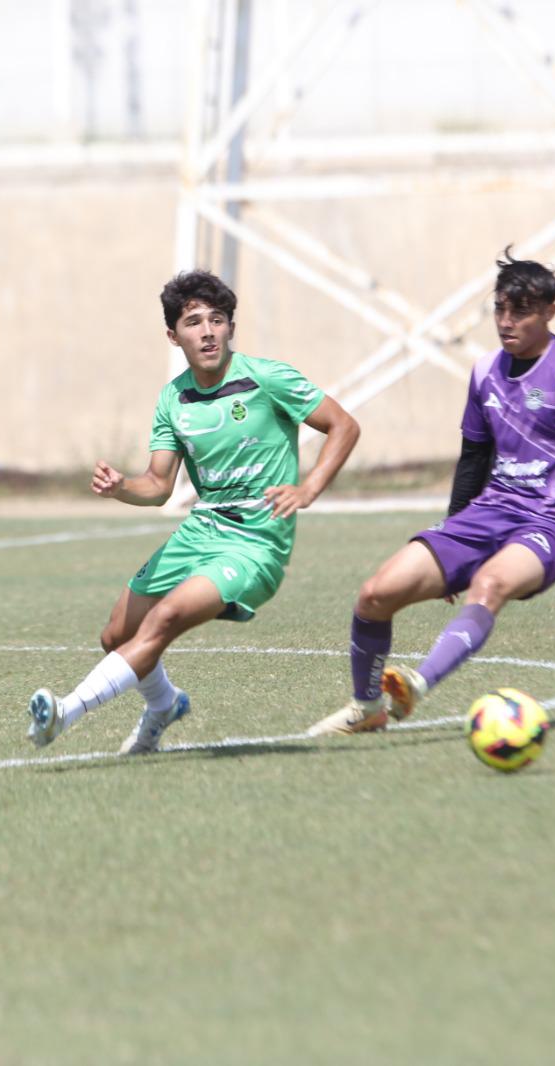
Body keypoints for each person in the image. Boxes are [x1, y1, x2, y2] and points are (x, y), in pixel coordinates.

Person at [27, 269, 360, 754]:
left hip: (254, 542)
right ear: (173, 335)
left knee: (164, 618)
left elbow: (344, 425)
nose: (207, 331)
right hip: (200, 531)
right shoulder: (173, 398)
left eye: (217, 320)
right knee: (116, 634)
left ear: (230, 327)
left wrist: (309, 488)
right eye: (193, 322)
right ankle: (163, 705)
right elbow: (159, 485)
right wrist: (122, 487)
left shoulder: (266, 377)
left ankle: (65, 711)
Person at [308, 248, 555, 736]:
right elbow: (473, 458)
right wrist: (453, 534)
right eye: (500, 309)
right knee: (374, 595)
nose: (506, 321)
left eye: (521, 311)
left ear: (550, 312)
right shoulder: (483, 373)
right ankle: (367, 708)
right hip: (487, 512)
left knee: (489, 586)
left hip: (549, 524)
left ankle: (417, 684)